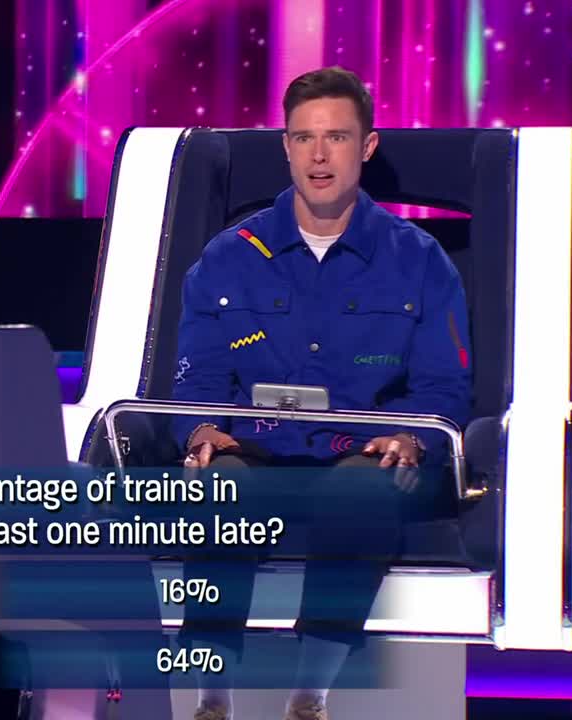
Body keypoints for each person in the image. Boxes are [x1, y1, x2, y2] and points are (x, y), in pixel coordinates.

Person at [169, 66, 471, 720]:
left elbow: (444, 385)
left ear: (367, 146)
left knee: (359, 492)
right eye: (304, 138)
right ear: (286, 147)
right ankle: (210, 703)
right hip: (255, 448)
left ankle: (309, 700)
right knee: (218, 490)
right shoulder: (227, 257)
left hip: (363, 453)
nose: (319, 155)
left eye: (337, 137)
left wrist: (411, 435)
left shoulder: (419, 259)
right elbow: (196, 379)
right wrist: (200, 431)